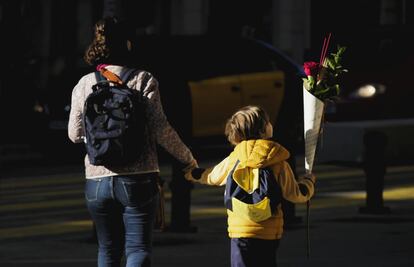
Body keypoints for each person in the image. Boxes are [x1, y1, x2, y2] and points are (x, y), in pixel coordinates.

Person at [68, 16, 197, 267]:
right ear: (127, 44)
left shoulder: (84, 84)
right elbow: (161, 129)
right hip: (139, 176)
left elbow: (74, 134)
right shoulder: (144, 80)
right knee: (137, 248)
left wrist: (100, 138)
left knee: (107, 249)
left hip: (96, 181)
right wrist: (188, 158)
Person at [184, 105, 315, 267]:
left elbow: (213, 176)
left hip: (241, 232)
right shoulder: (278, 161)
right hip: (268, 233)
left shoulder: (235, 158)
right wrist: (308, 183)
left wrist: (193, 173)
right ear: (262, 131)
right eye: (267, 122)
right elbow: (295, 194)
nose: (270, 124)